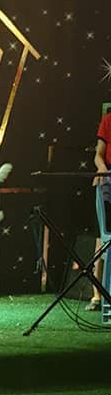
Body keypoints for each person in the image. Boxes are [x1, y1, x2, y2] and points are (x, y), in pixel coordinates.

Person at [89, 112, 111, 309]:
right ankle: (97, 294)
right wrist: (103, 169)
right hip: (108, 183)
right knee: (101, 240)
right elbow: (98, 155)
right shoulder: (108, 120)